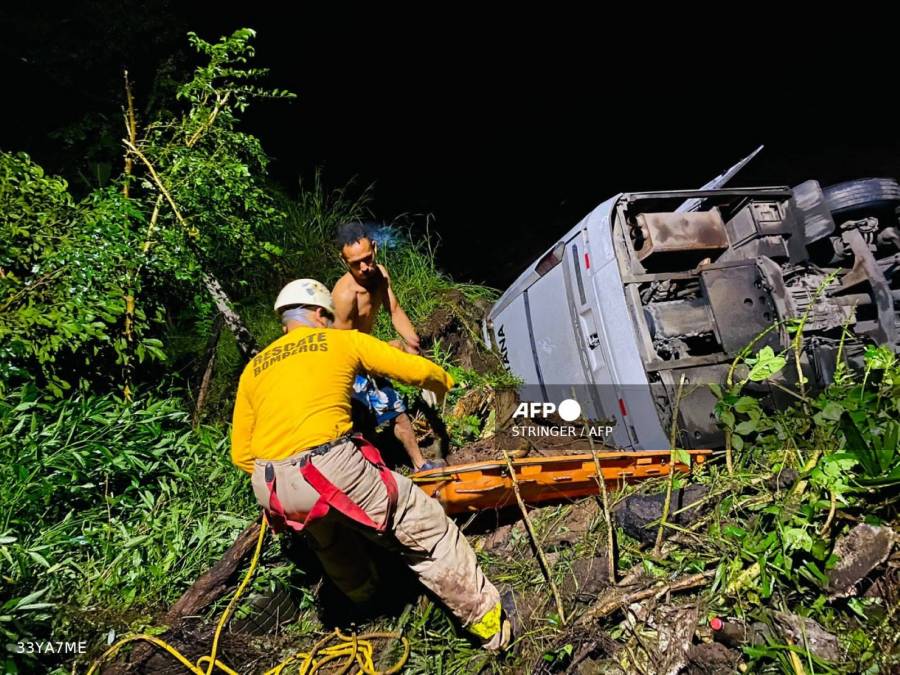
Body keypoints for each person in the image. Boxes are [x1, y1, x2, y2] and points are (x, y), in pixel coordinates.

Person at [230, 278, 510, 651]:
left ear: (286, 322)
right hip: (328, 465)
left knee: (330, 542)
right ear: (318, 313)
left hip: (272, 485)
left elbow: (241, 455)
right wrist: (443, 380)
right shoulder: (339, 341)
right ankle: (491, 626)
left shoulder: (255, 369)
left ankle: (369, 601)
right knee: (427, 532)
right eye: (326, 316)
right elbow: (409, 369)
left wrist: (287, 476)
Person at [331, 222, 443, 471]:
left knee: (398, 413)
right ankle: (375, 477)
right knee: (362, 426)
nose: (364, 267)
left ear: (375, 248)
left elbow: (394, 310)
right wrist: (386, 350)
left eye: (367, 258)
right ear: (344, 261)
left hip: (369, 357)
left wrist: (412, 342)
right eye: (356, 264)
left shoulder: (380, 274)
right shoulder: (344, 295)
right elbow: (342, 346)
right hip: (348, 367)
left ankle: (420, 464)